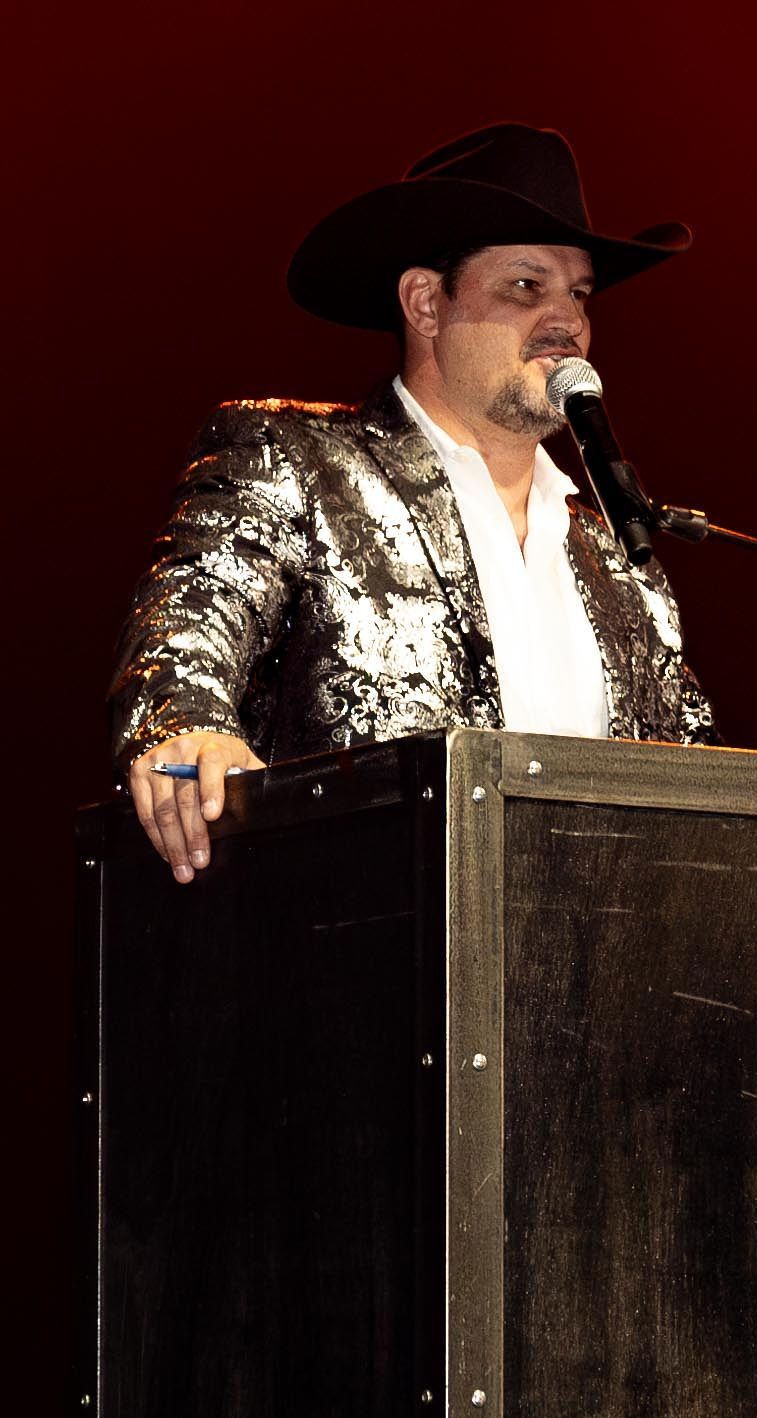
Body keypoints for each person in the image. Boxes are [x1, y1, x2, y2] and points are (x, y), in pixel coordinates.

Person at [109, 124, 718, 882]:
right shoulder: (295, 461)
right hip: (358, 962)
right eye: (527, 287)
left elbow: (702, 813)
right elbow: (189, 630)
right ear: (426, 302)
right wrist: (190, 729)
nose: (568, 322)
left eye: (580, 294)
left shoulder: (625, 570)